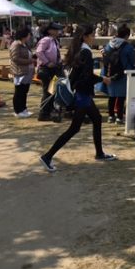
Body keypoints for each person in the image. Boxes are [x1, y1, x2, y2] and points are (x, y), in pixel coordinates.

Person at [39, 24, 116, 172]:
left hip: (80, 93)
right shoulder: (85, 52)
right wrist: (102, 79)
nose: (94, 37)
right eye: (92, 35)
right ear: (85, 36)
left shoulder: (77, 49)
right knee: (74, 128)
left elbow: (75, 74)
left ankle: (99, 153)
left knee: (97, 119)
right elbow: (86, 76)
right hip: (82, 95)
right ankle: (47, 156)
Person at [104, 25, 135, 124]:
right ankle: (119, 117)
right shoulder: (128, 47)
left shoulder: (109, 44)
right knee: (121, 96)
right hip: (123, 73)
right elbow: (132, 61)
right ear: (126, 35)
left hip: (110, 73)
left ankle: (110, 116)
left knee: (112, 96)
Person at [35, 22, 63, 122]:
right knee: (48, 91)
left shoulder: (54, 40)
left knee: (52, 90)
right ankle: (43, 114)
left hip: (54, 69)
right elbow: (38, 51)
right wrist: (47, 62)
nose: (57, 31)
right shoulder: (46, 40)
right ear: (49, 31)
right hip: (46, 69)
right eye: (55, 30)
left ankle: (49, 111)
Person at [10, 27, 35, 118]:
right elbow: (15, 58)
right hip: (20, 71)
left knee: (24, 91)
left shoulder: (25, 44)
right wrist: (29, 61)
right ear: (24, 35)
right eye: (28, 35)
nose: (29, 36)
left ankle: (24, 109)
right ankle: (18, 110)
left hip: (27, 71)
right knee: (19, 91)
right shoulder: (16, 44)